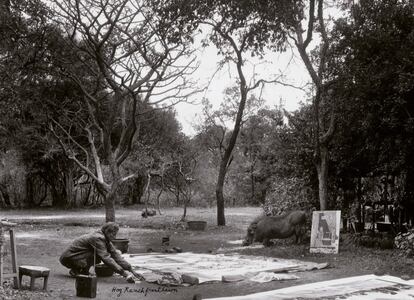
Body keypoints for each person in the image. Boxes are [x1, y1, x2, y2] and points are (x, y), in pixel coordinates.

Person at [59, 222, 142, 283]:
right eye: (114, 234)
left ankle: (82, 271)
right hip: (69, 258)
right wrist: (124, 273)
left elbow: (115, 255)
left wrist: (131, 270)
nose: (115, 237)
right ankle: (76, 270)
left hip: (75, 256)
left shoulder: (104, 238)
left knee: (102, 254)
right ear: (107, 232)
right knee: (100, 255)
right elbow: (106, 257)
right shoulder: (98, 238)